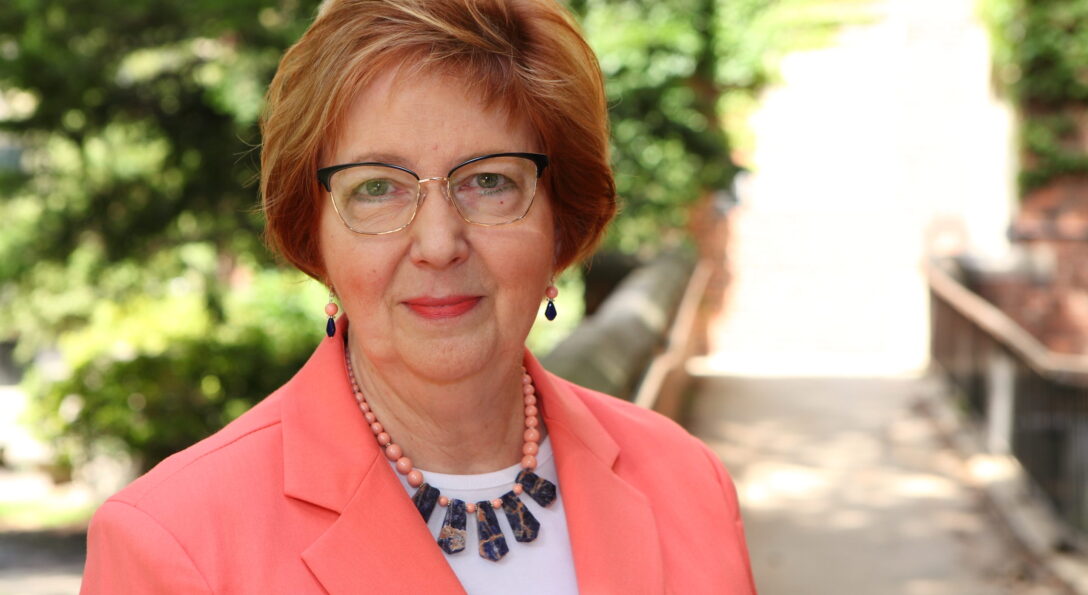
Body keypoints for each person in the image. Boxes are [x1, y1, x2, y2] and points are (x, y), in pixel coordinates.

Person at [80, 0, 756, 593]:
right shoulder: (173, 542)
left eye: (490, 180)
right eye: (376, 186)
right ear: (315, 238)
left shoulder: (686, 480)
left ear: (560, 220)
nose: (439, 242)